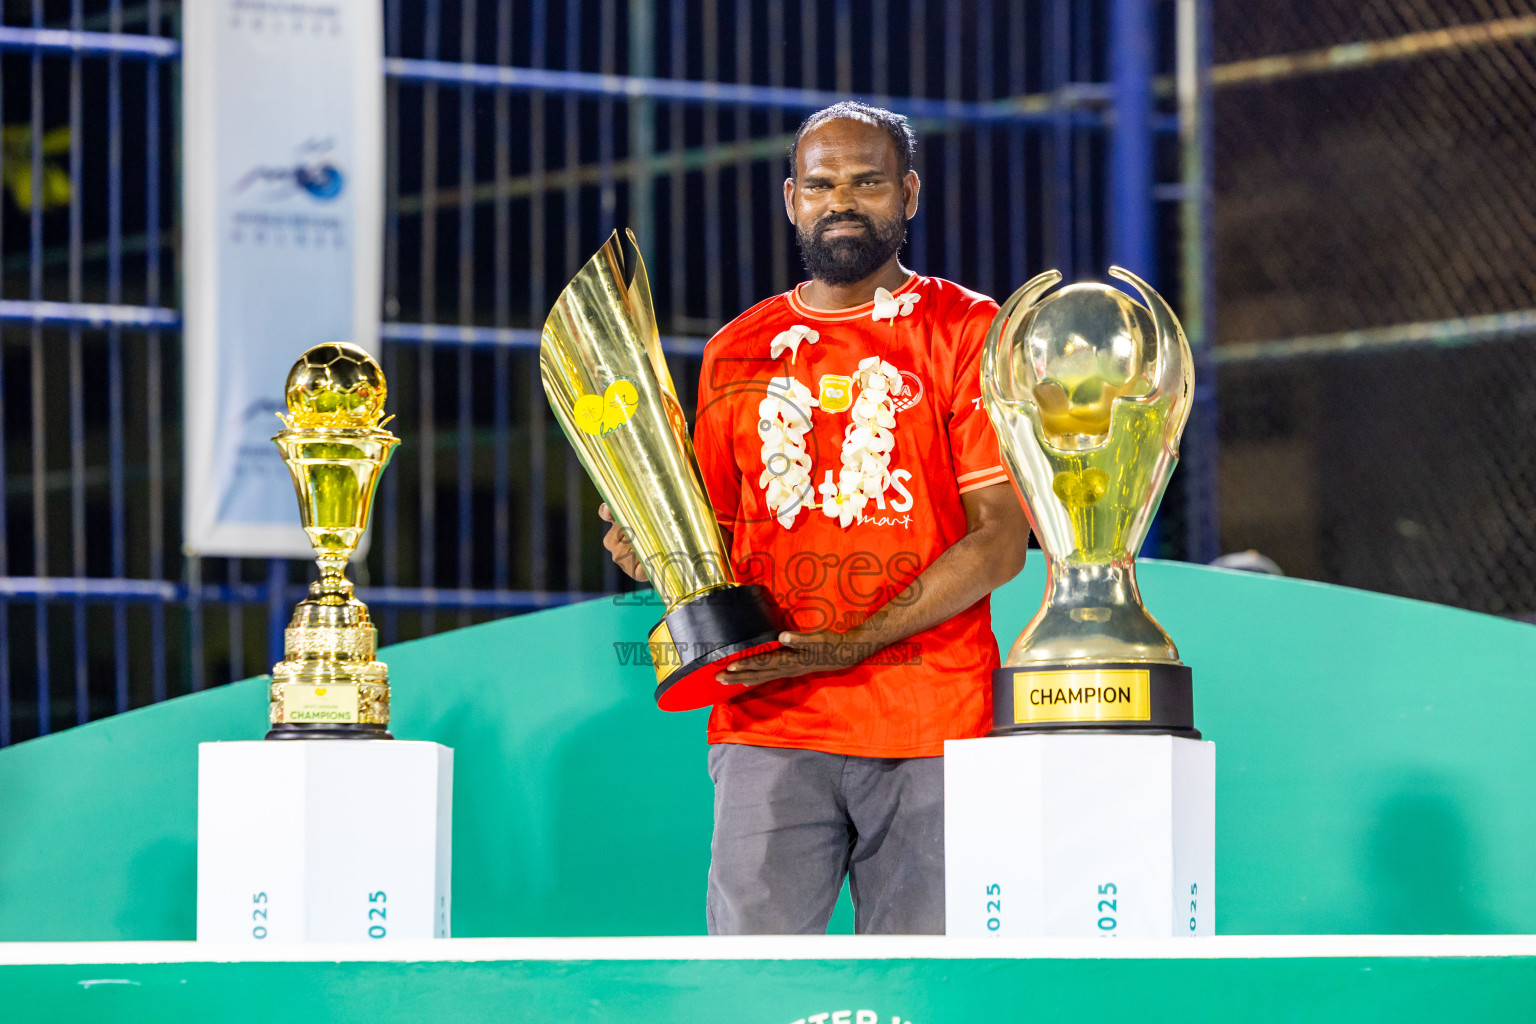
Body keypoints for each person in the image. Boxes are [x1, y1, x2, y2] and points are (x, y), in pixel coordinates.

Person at [600, 101, 1029, 935]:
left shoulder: (969, 330)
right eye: (822, 184)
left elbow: (1000, 541)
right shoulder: (735, 348)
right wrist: (656, 550)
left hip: (930, 721)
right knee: (756, 986)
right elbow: (718, 545)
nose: (843, 202)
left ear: (908, 194)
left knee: (916, 989)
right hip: (768, 721)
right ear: (792, 198)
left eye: (868, 182)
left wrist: (854, 642)